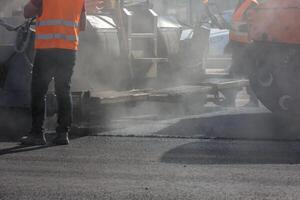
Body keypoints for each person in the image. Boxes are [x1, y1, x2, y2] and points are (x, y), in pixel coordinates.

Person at [21, 0, 86, 145]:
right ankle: (63, 133)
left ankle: (37, 134)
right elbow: (83, 24)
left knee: (39, 91)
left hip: (47, 49)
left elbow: (27, 12)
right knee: (63, 90)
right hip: (69, 50)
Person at [228, 0, 259, 107]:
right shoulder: (242, 3)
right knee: (234, 73)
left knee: (249, 74)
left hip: (246, 46)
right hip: (238, 45)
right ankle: (231, 101)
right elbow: (236, 24)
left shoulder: (251, 3)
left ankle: (253, 100)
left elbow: (254, 24)